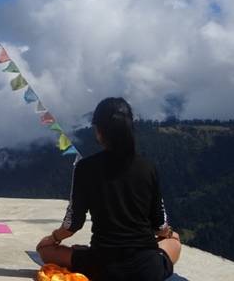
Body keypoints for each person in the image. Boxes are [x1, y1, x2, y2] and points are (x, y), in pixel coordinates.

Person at [36, 97, 182, 281]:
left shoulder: (85, 168)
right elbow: (159, 225)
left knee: (44, 249)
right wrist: (169, 234)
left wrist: (54, 238)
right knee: (174, 240)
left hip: (103, 267)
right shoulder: (148, 167)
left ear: (99, 131)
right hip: (147, 269)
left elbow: (73, 223)